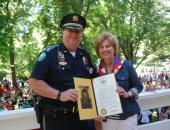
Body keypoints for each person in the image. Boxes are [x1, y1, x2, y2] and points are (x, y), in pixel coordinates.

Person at [29, 13, 98, 130]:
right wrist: (60, 95)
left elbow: (95, 82)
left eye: (78, 31)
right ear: (62, 33)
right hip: (56, 119)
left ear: (81, 34)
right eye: (70, 30)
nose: (74, 34)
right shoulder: (50, 54)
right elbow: (34, 82)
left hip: (81, 118)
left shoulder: (85, 56)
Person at [94, 32, 143, 130]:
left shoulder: (127, 65)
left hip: (126, 117)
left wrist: (128, 94)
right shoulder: (97, 72)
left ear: (114, 48)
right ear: (98, 50)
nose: (104, 49)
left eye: (108, 46)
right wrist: (97, 117)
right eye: (101, 47)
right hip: (107, 119)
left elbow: (138, 86)